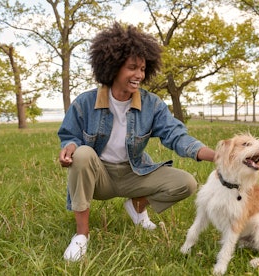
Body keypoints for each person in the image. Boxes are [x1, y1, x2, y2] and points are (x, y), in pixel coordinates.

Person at [57, 22, 215, 262]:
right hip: (100, 177)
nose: (139, 75)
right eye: (132, 67)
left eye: (142, 68)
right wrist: (69, 147)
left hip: (134, 172)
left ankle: (137, 207)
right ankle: (81, 236)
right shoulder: (85, 102)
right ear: (112, 67)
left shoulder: (151, 104)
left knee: (187, 183)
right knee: (82, 153)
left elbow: (176, 135)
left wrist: (215, 154)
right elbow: (69, 135)